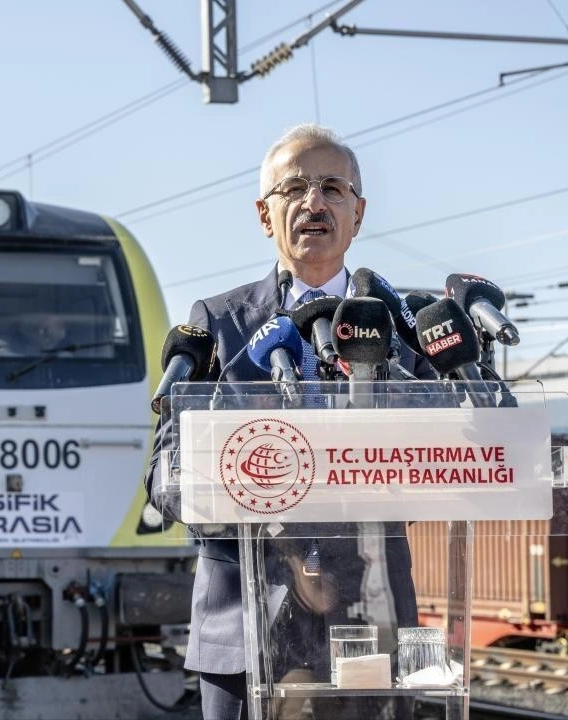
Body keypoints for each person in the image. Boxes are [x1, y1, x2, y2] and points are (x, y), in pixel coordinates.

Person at [147, 124, 428, 720]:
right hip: (246, 631)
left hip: (372, 622)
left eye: (332, 187)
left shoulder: (405, 327)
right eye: (294, 188)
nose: (313, 202)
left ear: (359, 212)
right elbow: (165, 483)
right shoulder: (218, 324)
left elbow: (456, 454)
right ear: (263, 214)